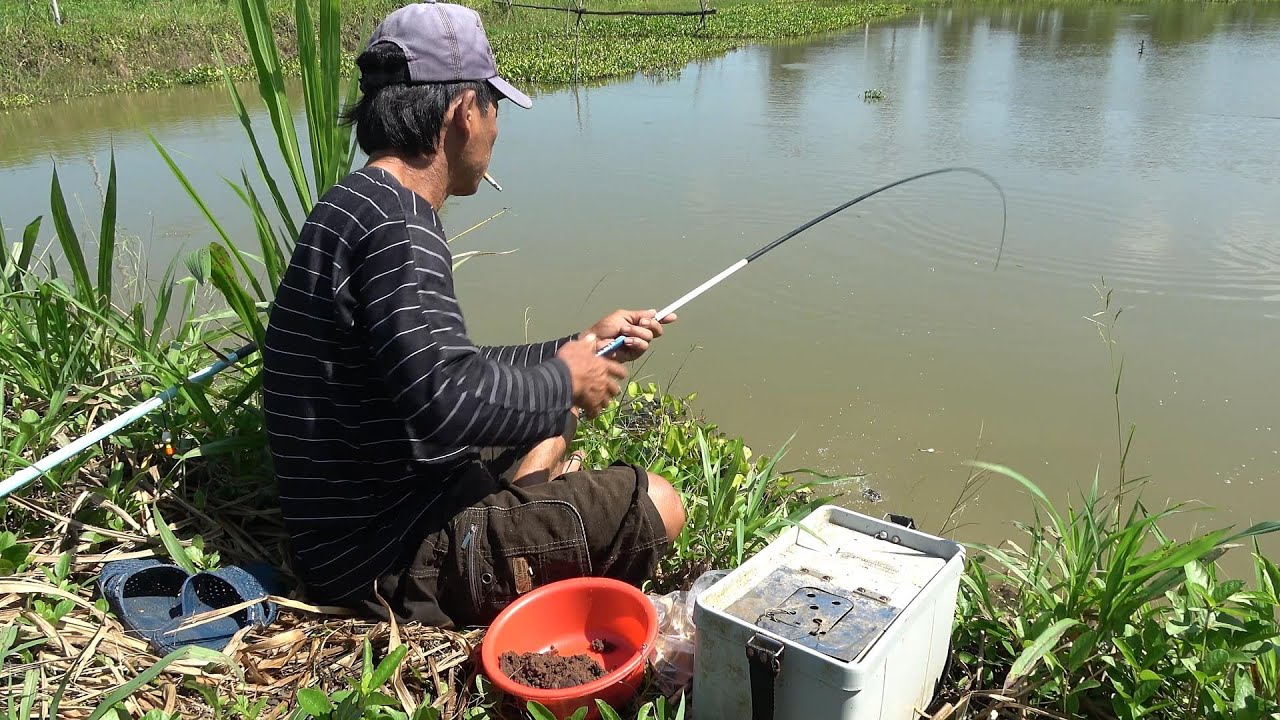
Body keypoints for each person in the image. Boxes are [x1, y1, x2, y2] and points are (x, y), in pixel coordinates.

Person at [260, 1, 686, 627]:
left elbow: (436, 369)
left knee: (555, 412)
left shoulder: (353, 201)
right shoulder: (402, 230)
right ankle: (516, 521)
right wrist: (564, 379)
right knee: (657, 503)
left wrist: (576, 346)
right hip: (383, 556)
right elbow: (446, 399)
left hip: (364, 509)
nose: (495, 130)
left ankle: (521, 505)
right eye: (494, 108)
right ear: (463, 111)